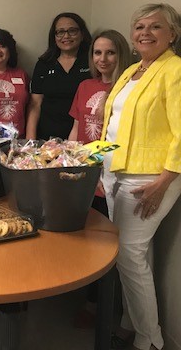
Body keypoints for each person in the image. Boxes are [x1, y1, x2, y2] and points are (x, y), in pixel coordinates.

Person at [100, 4, 181, 350]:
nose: (145, 33)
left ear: (172, 34)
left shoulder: (175, 70)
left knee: (128, 253)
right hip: (116, 170)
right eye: (139, 27)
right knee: (136, 254)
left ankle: (151, 340)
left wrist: (164, 182)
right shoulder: (132, 70)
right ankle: (129, 323)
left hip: (150, 177)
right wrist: (97, 165)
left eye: (155, 27)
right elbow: (113, 124)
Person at [67, 29, 131, 328]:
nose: (103, 59)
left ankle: (101, 307)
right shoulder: (85, 85)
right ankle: (85, 298)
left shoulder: (127, 87)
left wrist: (101, 173)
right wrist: (67, 161)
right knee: (84, 237)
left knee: (105, 243)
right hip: (84, 171)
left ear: (121, 54)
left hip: (109, 174)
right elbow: (77, 127)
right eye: (97, 53)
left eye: (110, 52)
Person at [26, 12, 92, 140]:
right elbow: (35, 104)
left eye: (72, 31)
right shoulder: (44, 64)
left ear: (82, 34)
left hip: (82, 138)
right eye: (60, 32)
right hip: (46, 139)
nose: (66, 36)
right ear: (54, 37)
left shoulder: (92, 61)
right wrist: (30, 140)